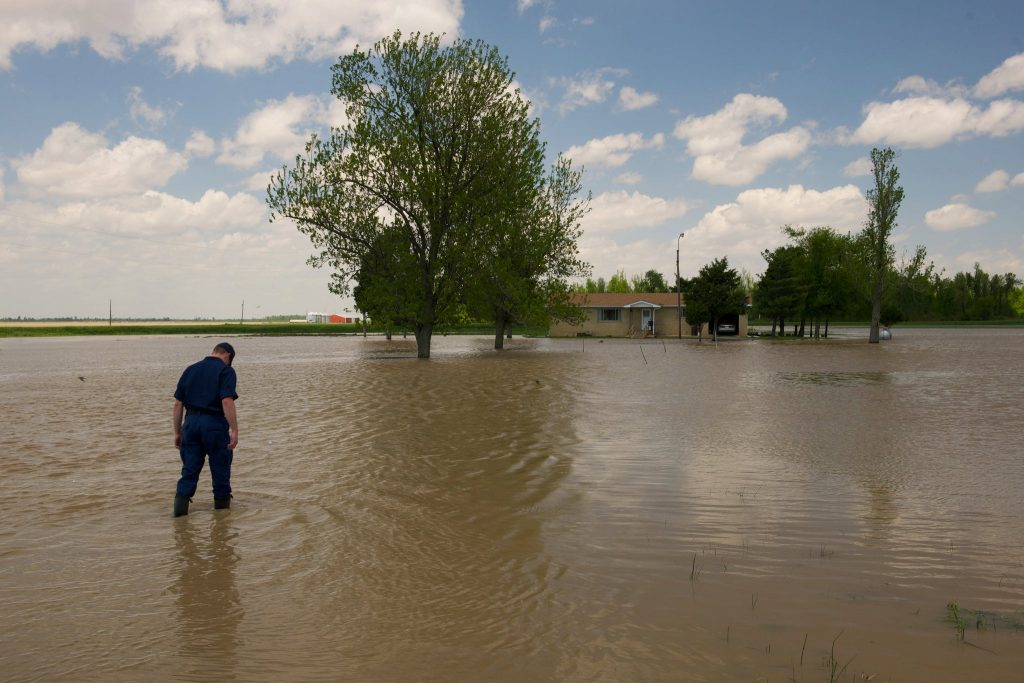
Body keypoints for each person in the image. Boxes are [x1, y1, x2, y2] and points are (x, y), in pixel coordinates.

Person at [172, 342, 239, 517]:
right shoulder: (226, 371)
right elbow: (226, 401)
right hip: (215, 425)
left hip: (191, 424)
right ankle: (222, 522)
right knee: (220, 471)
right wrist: (234, 430)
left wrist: (177, 432)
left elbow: (178, 403)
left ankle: (179, 518)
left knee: (189, 471)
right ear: (228, 356)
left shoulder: (190, 370)